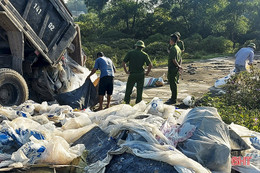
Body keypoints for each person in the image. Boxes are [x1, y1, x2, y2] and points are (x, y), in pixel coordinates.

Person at [122, 40, 152, 104]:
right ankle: (138, 103)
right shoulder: (144, 54)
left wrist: (126, 71)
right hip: (141, 74)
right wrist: (147, 73)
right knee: (139, 90)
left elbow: (124, 62)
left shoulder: (130, 53)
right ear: (142, 47)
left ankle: (126, 102)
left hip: (132, 74)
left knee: (129, 89)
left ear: (136, 46)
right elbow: (150, 65)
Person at [165, 34, 182, 105]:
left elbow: (173, 59)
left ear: (172, 41)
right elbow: (180, 58)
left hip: (172, 68)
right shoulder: (178, 48)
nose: (169, 41)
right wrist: (179, 66)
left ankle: (173, 99)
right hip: (176, 68)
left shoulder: (173, 48)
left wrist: (178, 66)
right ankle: (173, 97)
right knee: (174, 83)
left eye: (170, 40)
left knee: (172, 84)